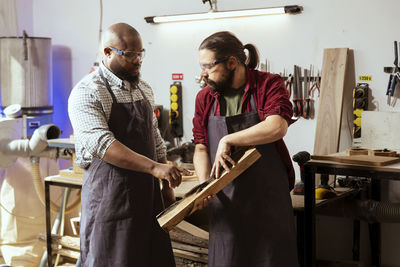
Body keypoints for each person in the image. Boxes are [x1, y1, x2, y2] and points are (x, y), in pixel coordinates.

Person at [68, 22, 189, 267]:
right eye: (129, 54)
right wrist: (155, 168)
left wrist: (166, 184)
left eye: (140, 53)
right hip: (109, 204)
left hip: (147, 201)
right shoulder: (88, 92)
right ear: (107, 52)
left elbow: (155, 138)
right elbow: (102, 143)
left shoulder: (143, 89)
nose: (137, 60)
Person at [192, 31, 299, 267]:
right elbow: (200, 146)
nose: (203, 74)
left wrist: (228, 139)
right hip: (226, 202)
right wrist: (204, 184)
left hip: (267, 201)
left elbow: (277, 126)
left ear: (232, 62)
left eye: (208, 66)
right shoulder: (205, 98)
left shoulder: (267, 84)